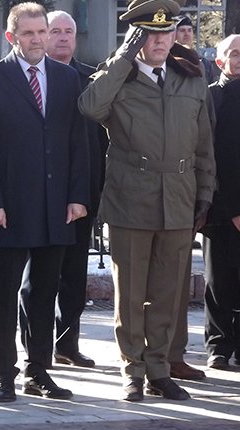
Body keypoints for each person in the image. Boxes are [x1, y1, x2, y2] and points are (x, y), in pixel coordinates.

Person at [79, 0, 215, 402]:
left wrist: (205, 193)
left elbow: (205, 141)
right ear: (136, 37)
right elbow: (90, 107)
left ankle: (159, 367)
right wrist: (124, 56)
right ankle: (131, 369)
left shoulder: (189, 77)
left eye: (166, 32)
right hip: (131, 197)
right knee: (132, 292)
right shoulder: (117, 77)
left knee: (168, 292)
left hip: (178, 195)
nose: (160, 41)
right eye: (150, 34)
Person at [0, 2, 90, 403]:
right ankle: (4, 374)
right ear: (12, 37)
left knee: (45, 292)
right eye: (28, 33)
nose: (38, 39)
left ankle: (38, 371)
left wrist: (77, 196)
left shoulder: (67, 78)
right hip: (10, 208)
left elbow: (78, 143)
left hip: (57, 207)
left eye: (42, 31)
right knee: (5, 298)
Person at [45, 9, 108, 369]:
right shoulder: (33, 79)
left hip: (82, 195)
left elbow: (102, 141)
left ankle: (67, 344)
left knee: (73, 277)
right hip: (43, 195)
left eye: (69, 31)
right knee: (38, 278)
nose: (64, 37)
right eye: (57, 31)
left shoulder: (91, 80)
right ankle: (35, 348)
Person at [202, 34, 240, 372]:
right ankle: (218, 343)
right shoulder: (210, 95)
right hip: (218, 204)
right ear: (220, 61)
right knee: (218, 278)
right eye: (233, 54)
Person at [175, 15, 216, 84]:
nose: (187, 34)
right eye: (182, 30)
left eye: (189, 30)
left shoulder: (205, 63)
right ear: (173, 34)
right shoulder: (168, 61)